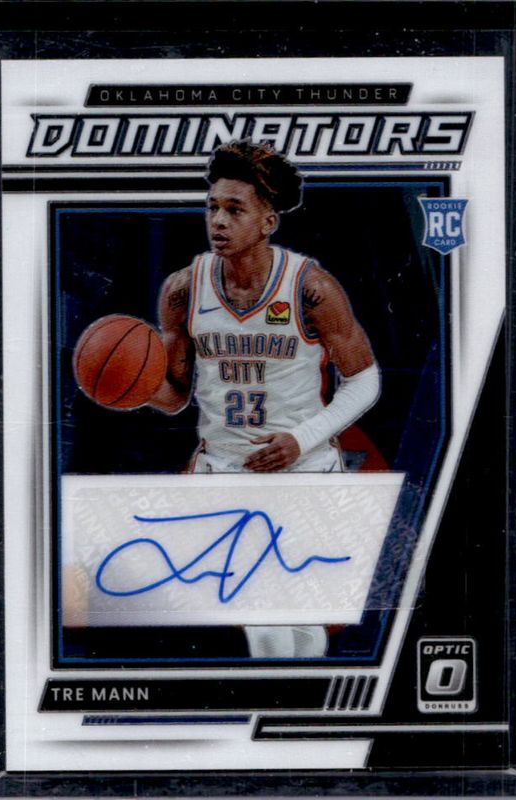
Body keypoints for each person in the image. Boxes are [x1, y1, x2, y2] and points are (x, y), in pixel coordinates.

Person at [149, 140, 381, 656]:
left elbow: (365, 379)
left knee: (297, 623)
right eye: (212, 207)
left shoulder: (310, 288)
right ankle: (289, 702)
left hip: (303, 470)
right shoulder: (183, 290)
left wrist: (301, 439)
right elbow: (175, 398)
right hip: (226, 471)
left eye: (235, 210)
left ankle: (290, 703)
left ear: (268, 221)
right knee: (266, 614)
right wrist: (137, 388)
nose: (218, 221)